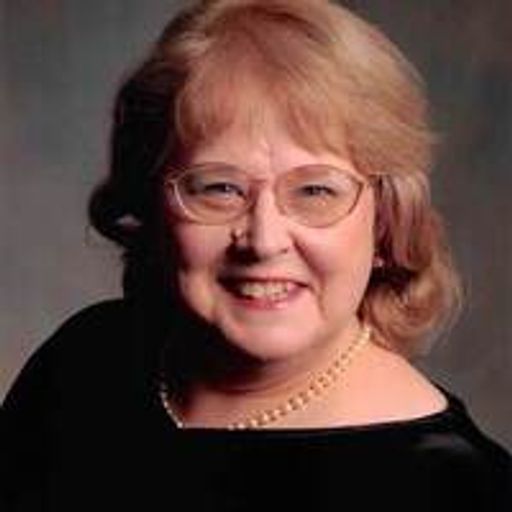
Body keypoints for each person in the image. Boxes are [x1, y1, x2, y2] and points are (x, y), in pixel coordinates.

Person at [2, 0, 511, 510]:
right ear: (153, 202)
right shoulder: (85, 360)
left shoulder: (453, 487)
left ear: (385, 222)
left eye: (315, 191)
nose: (264, 241)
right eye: (219, 188)